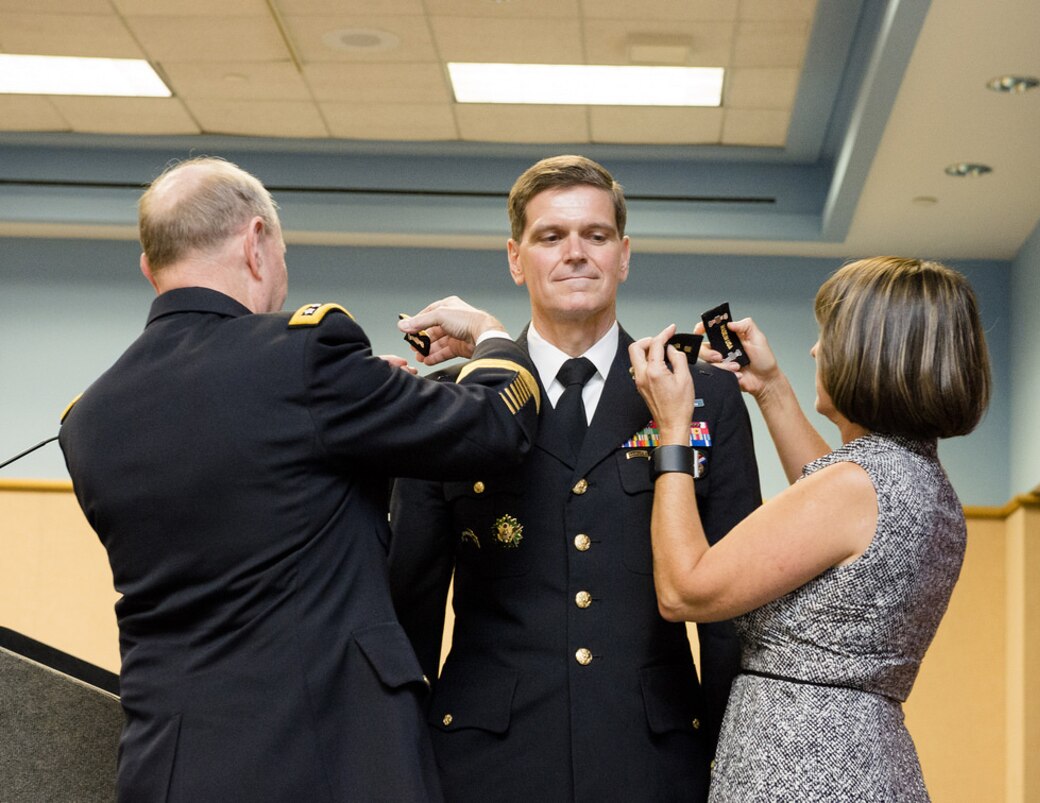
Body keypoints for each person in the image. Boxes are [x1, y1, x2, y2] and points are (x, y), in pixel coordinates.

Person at [58, 156, 542, 802]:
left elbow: (249, 509)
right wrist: (491, 337)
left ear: (151, 268)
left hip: (171, 770)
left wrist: (365, 415)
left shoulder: (88, 420)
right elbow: (493, 426)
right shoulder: (304, 355)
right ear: (256, 244)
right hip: (331, 758)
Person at [388, 155, 761, 801]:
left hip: (651, 755)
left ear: (624, 254)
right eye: (550, 236)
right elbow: (411, 603)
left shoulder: (700, 396)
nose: (576, 254)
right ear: (515, 257)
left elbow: (733, 610)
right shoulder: (453, 400)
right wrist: (397, 766)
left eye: (595, 235)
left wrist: (732, 764)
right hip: (485, 761)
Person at [628, 256, 991, 801]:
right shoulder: (916, 481)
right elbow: (822, 503)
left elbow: (684, 589)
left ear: (870, 356)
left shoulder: (855, 488)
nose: (817, 350)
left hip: (801, 762)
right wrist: (770, 388)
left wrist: (672, 430)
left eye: (829, 336)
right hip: (864, 755)